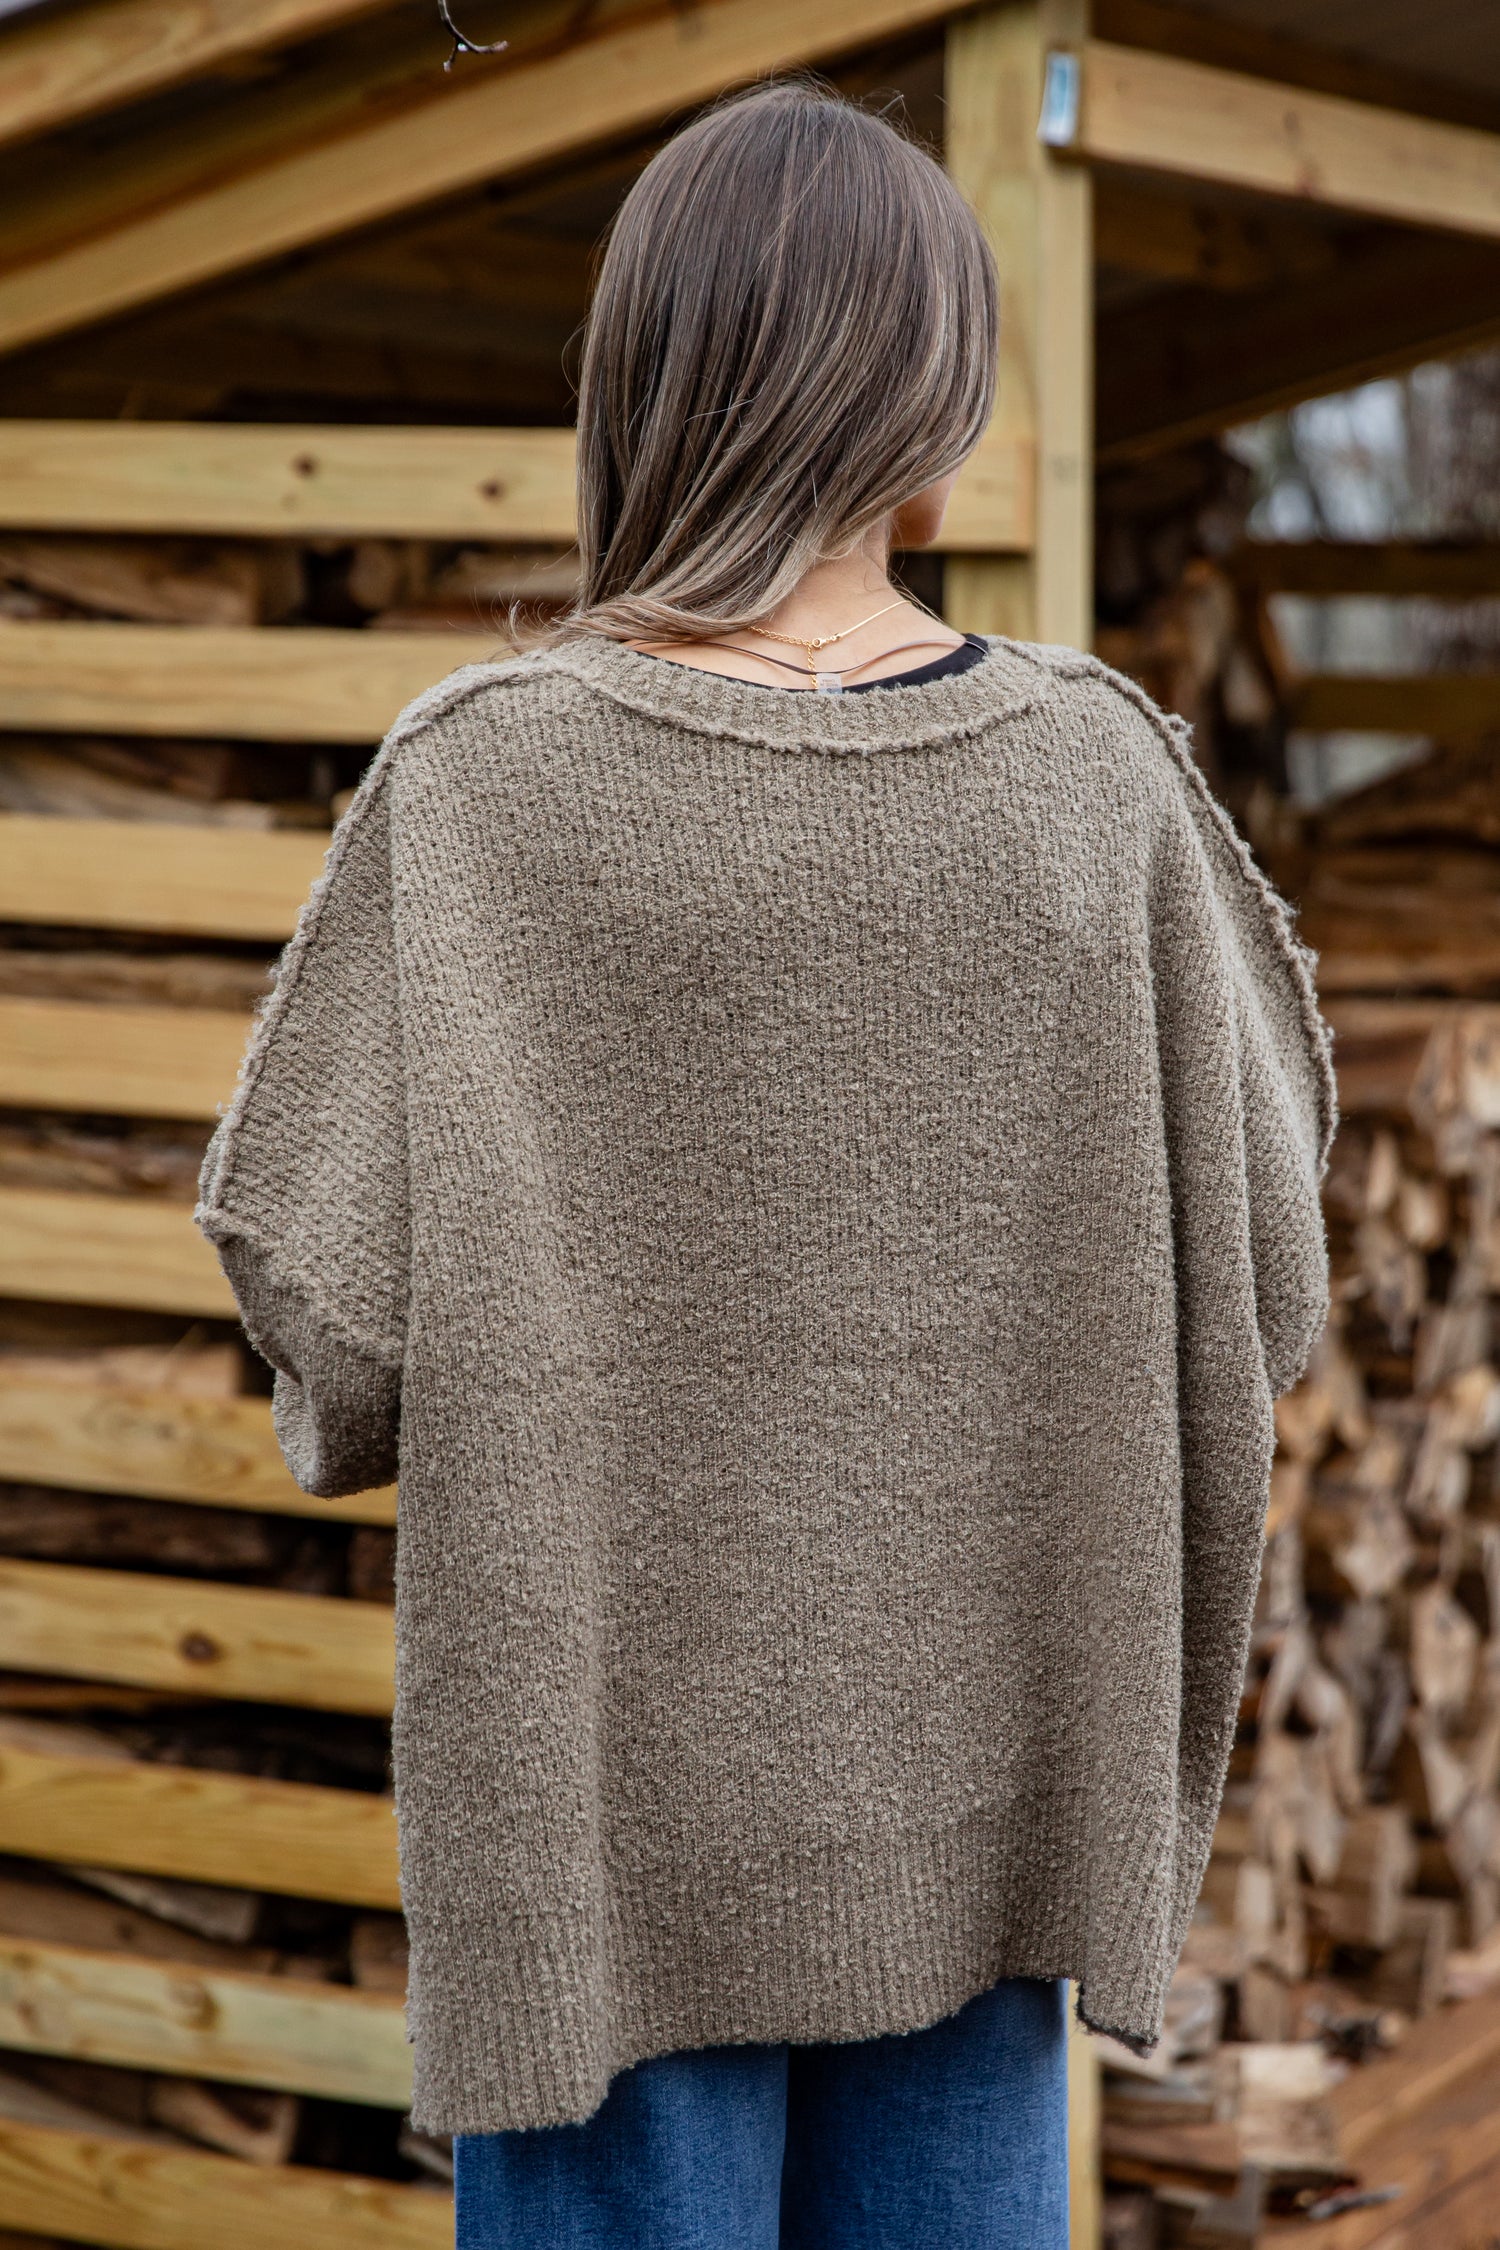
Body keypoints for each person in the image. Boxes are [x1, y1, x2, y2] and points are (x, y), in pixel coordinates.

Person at [197, 79, 1335, 2250]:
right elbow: (1266, 1270)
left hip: (601, 1860)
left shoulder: (484, 787)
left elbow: (319, 1303)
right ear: (939, 414)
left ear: (641, 393)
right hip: (998, 1812)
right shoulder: (1096, 781)